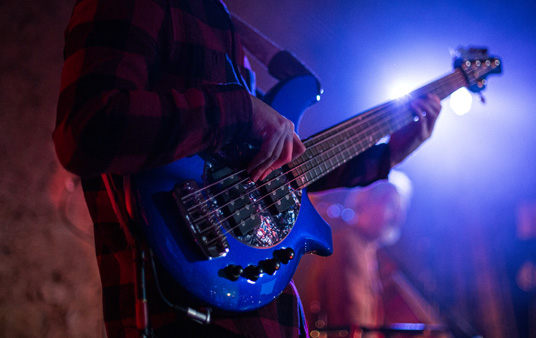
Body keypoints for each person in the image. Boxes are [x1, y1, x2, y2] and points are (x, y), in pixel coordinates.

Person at [52, 0, 441, 337]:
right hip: (181, 313)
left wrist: (387, 156)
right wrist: (241, 109)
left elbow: (269, 172)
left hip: (268, 311)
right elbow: (88, 127)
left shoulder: (218, 18)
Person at [295, 174, 412, 338]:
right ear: (366, 201)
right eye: (392, 205)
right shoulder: (348, 245)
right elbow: (351, 321)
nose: (398, 216)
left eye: (401, 209)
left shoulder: (365, 249)